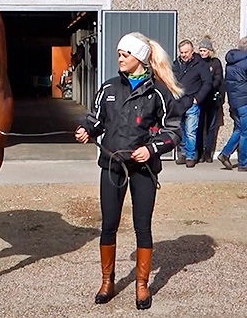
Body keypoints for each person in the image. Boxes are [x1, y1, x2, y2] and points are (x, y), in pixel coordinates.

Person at [75, 32, 184, 310]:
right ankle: (107, 281)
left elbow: (173, 132)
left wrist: (152, 148)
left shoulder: (159, 93)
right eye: (119, 54)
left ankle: (141, 285)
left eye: (125, 55)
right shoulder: (108, 89)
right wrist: (86, 130)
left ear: (140, 58)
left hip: (144, 170)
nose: (120, 59)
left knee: (142, 227)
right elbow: (95, 120)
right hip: (111, 165)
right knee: (108, 224)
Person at [217, 37, 247, 172]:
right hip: (246, 102)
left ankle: (225, 154)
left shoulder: (231, 62)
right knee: (246, 133)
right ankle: (243, 163)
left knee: (239, 129)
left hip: (235, 101)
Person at [172, 40, 211, 168]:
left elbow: (207, 83)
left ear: (192, 51)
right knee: (181, 130)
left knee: (190, 131)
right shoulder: (176, 64)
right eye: (182, 52)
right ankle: (183, 154)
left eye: (186, 52)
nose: (184, 55)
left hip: (192, 103)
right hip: (178, 103)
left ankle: (190, 156)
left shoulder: (200, 65)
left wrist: (197, 99)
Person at [195, 36, 224, 163]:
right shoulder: (197, 62)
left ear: (210, 51)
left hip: (212, 98)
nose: (202, 53)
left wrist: (208, 87)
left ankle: (208, 152)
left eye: (204, 51)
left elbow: (218, 79)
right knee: (199, 126)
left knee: (211, 127)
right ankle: (199, 152)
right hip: (200, 99)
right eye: (201, 50)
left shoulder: (215, 63)